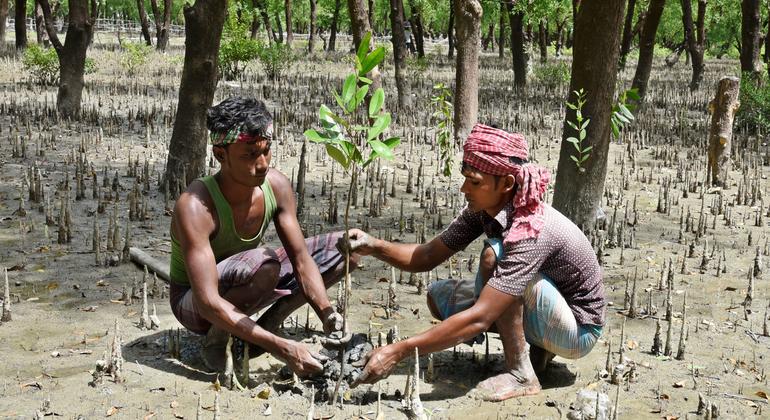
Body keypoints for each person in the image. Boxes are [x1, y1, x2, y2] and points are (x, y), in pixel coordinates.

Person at [343, 123, 605, 401]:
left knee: (494, 257)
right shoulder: (484, 209)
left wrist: (399, 350)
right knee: (439, 296)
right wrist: (373, 245)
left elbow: (481, 317)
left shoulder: (531, 227)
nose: (464, 188)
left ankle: (521, 373)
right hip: (546, 307)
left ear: (506, 183)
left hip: (577, 331)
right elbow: (428, 255)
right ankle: (538, 350)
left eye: (475, 181)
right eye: (465, 177)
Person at [168, 96, 359, 376]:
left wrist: (327, 314)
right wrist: (281, 348)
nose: (262, 164)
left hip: (243, 280)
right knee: (265, 266)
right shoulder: (195, 206)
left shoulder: (277, 186)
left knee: (349, 249)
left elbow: (301, 260)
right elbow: (208, 302)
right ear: (220, 155)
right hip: (195, 304)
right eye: (248, 155)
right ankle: (216, 342)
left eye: (266, 151)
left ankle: (269, 324)